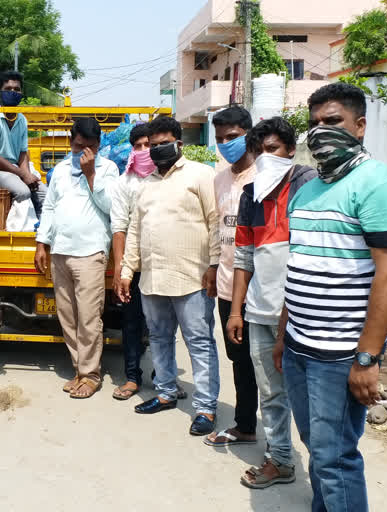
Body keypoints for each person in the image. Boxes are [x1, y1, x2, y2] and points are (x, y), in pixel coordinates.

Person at [277, 82, 387, 511]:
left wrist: (367, 359)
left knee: (335, 457)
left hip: (340, 353)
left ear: (359, 127)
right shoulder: (307, 190)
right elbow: (299, 268)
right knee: (316, 447)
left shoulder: (378, 186)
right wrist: (285, 333)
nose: (320, 132)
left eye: (332, 122)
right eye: (314, 123)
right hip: (300, 346)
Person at [225, 117, 317, 488]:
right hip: (261, 310)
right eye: (259, 151)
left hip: (303, 313)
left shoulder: (307, 185)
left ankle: (326, 470)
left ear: (291, 150)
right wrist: (236, 310)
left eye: (273, 149)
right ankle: (280, 459)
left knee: (311, 399)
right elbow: (244, 257)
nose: (265, 158)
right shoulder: (251, 195)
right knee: (271, 393)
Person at [118, 115, 221, 436]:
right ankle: (165, 392)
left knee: (199, 342)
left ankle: (205, 407)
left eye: (164, 143)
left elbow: (216, 221)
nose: (158, 149)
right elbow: (134, 231)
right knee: (160, 338)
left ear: (179, 143)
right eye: (153, 145)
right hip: (152, 279)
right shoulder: (145, 186)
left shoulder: (201, 175)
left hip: (192, 278)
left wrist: (215, 266)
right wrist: (125, 271)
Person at [35, 118, 119, 399]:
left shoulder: (108, 169)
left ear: (98, 145)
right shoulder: (59, 170)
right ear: (71, 141)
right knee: (67, 316)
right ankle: (79, 370)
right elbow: (49, 206)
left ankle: (91, 375)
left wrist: (91, 173)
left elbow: (110, 207)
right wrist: (41, 243)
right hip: (61, 250)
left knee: (89, 316)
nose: (84, 152)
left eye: (91, 147)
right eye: (79, 145)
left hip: (91, 252)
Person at [204, 106, 259, 447]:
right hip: (227, 285)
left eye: (232, 137)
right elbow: (216, 226)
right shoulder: (220, 178)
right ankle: (245, 425)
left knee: (264, 362)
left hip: (259, 289)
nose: (225, 144)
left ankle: (280, 443)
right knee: (239, 360)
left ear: (249, 134)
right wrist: (212, 267)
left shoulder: (265, 175)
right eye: (220, 138)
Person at [109, 123, 153, 400]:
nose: (143, 151)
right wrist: (120, 269)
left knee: (163, 325)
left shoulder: (165, 178)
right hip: (134, 266)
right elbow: (119, 227)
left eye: (148, 145)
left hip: (163, 264)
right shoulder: (124, 183)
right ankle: (132, 377)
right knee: (132, 322)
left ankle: (164, 376)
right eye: (137, 146)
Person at [0, 70, 47, 216]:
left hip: (14, 170)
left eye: (17, 89)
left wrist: (27, 174)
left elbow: (23, 152)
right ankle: (14, 231)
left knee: (43, 193)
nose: (13, 92)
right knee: (23, 192)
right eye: (8, 89)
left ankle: (40, 230)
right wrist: (23, 175)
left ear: (21, 93)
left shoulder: (21, 119)